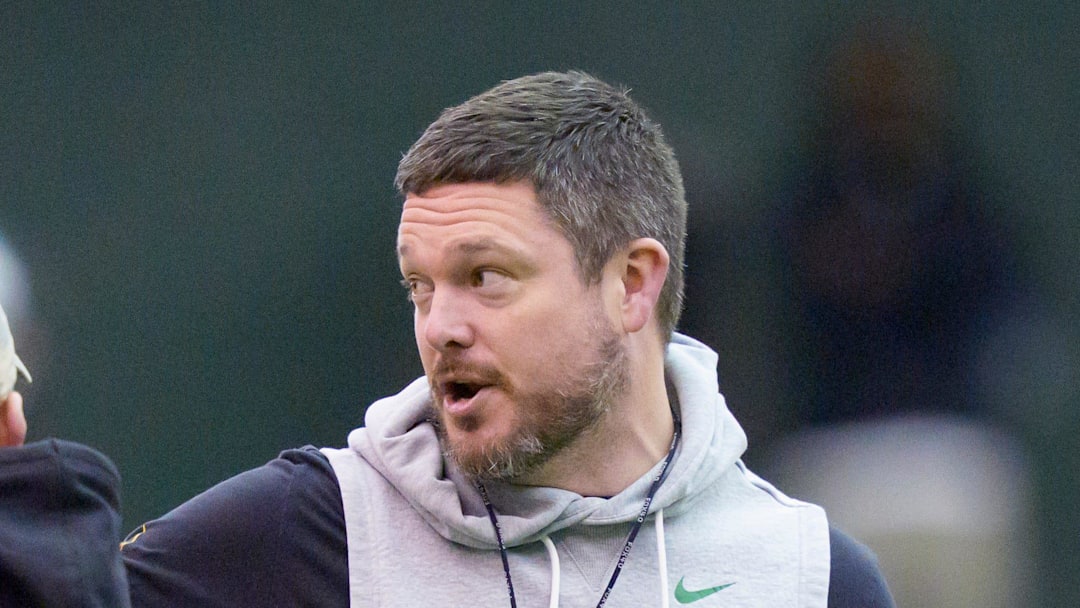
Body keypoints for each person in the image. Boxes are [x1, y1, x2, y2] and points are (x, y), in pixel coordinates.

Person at [0, 71, 894, 607]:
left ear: (632, 283)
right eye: (420, 287)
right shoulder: (309, 530)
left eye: (486, 278)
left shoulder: (811, 578)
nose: (440, 327)